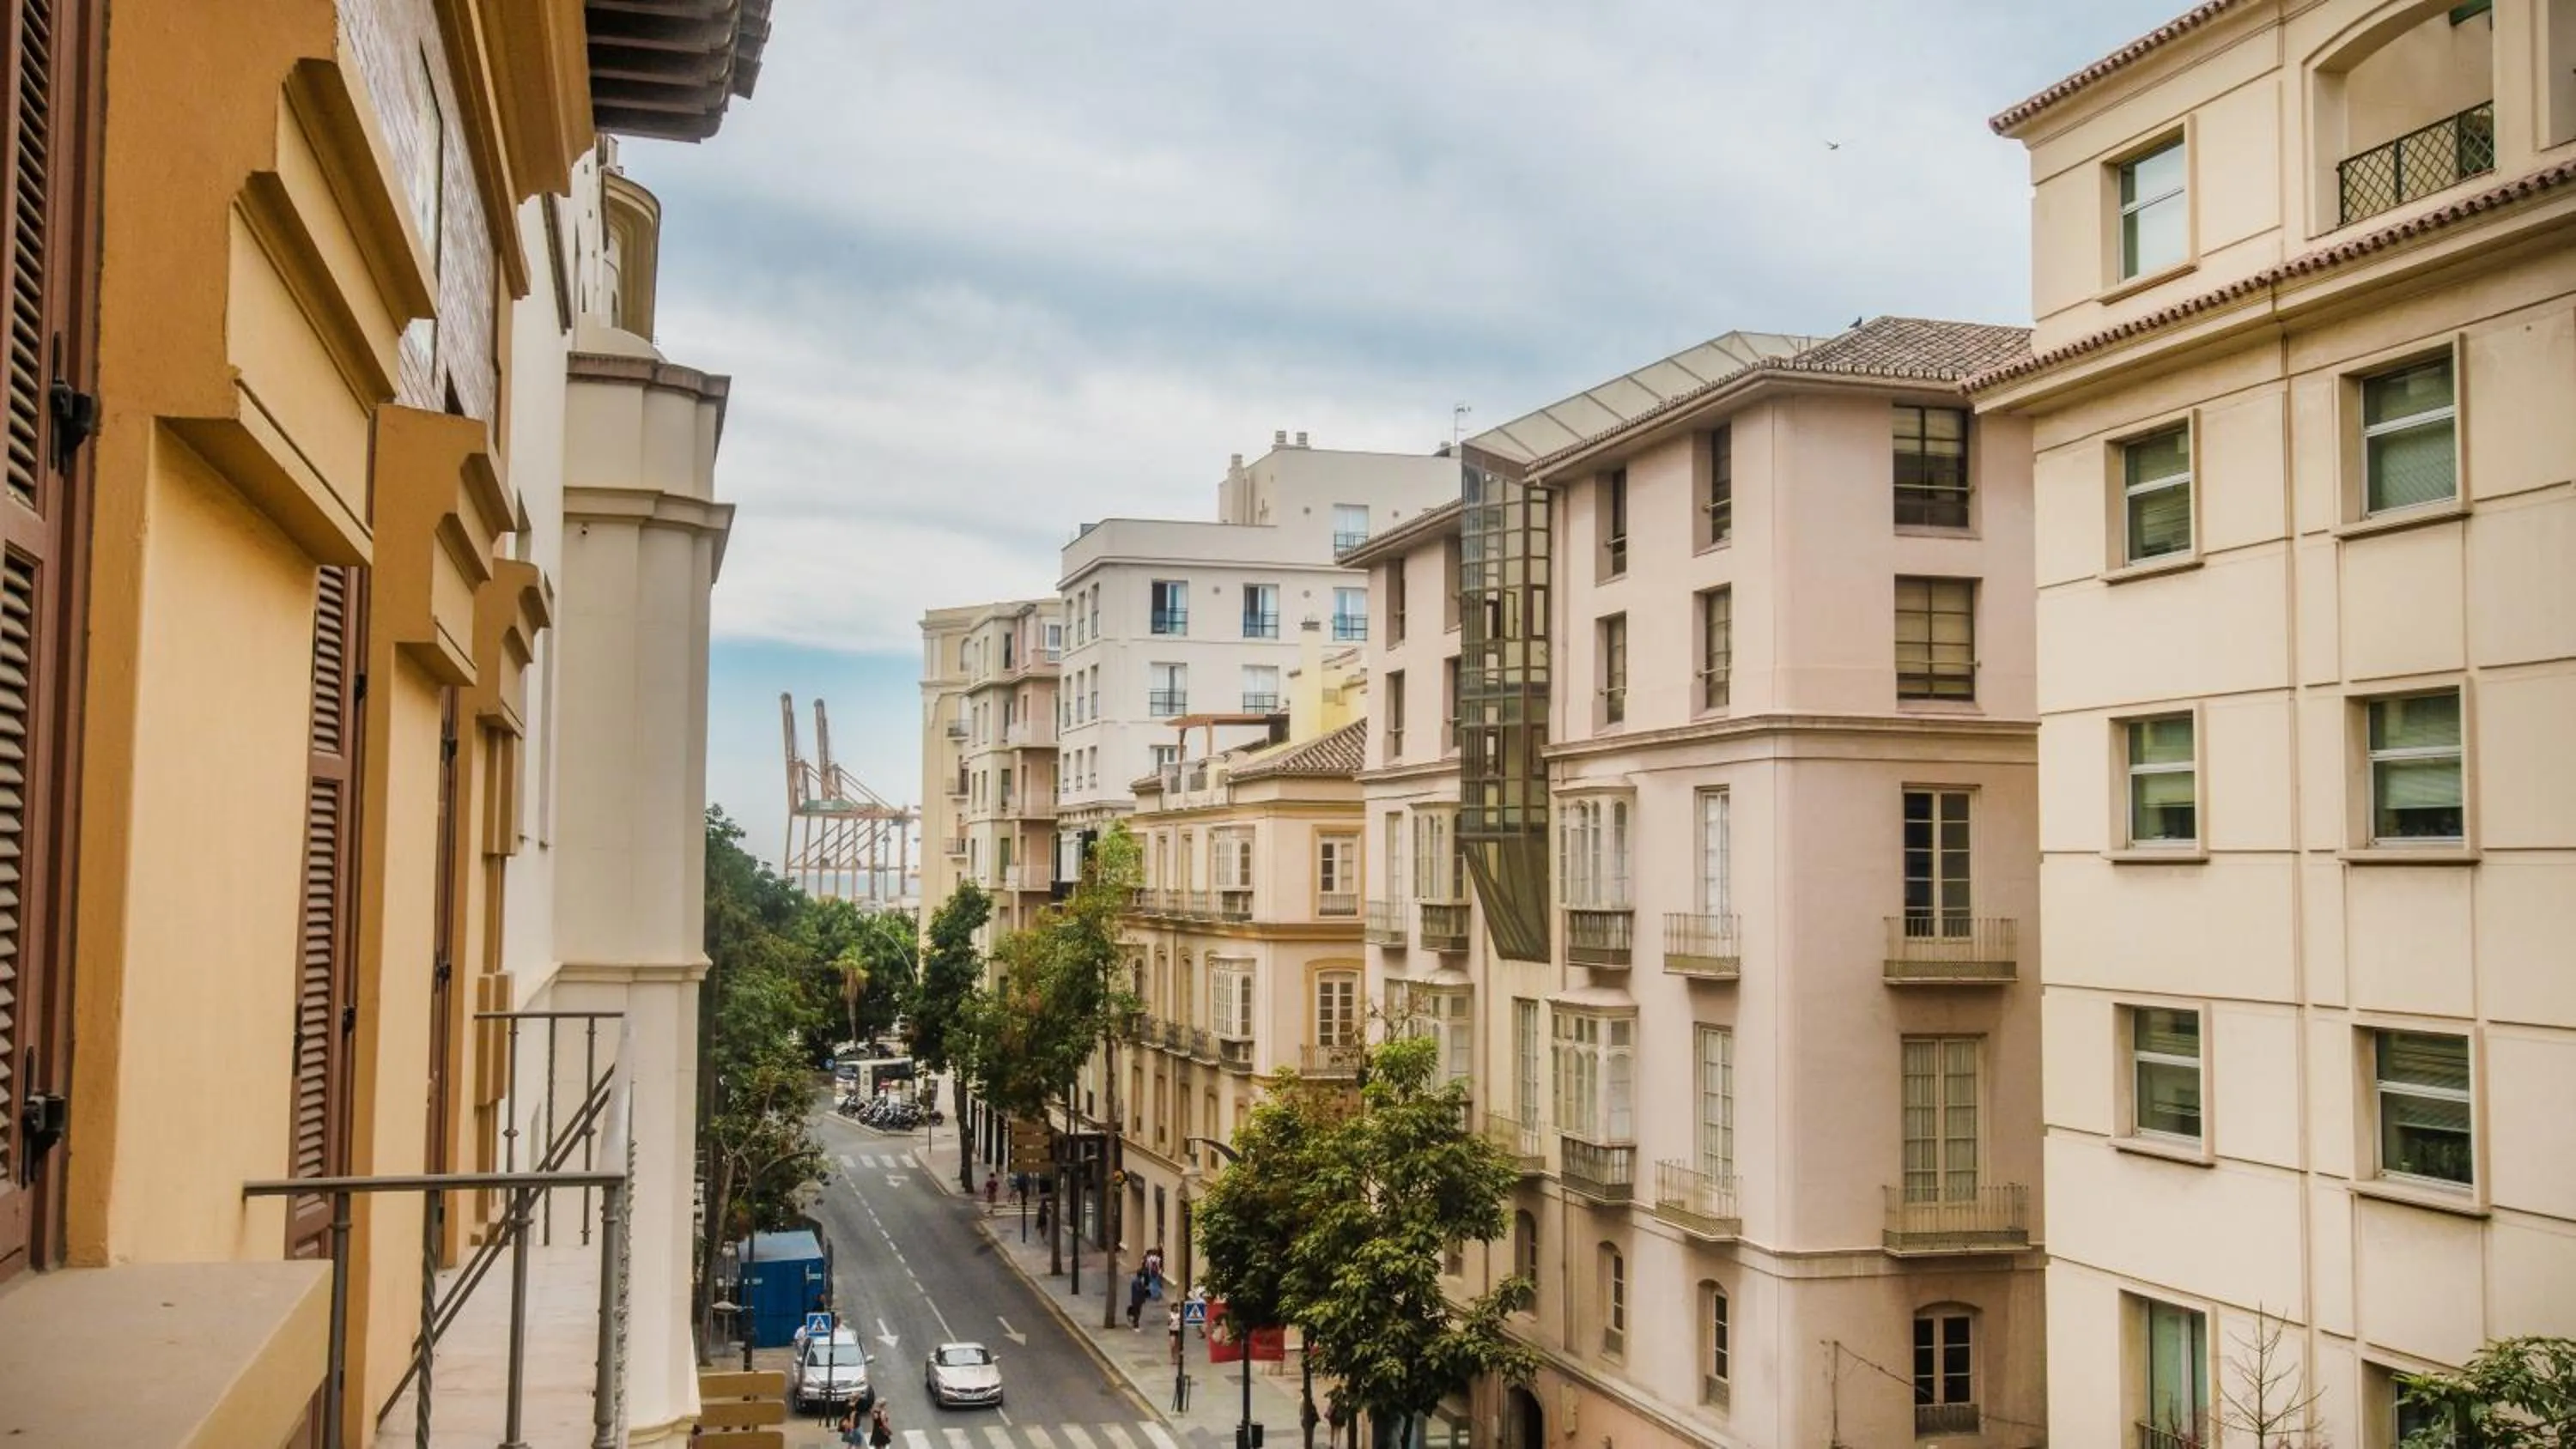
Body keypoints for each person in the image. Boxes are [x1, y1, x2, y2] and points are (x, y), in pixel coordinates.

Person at [1127, 1266, 1152, 1330]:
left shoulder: (1137, 1281)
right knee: (1137, 1312)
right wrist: (1145, 1289)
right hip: (1137, 1299)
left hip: (1136, 1299)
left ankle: (1135, 1323)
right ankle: (1135, 1325)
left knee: (1137, 1311)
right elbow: (1139, 1289)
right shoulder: (1137, 1281)